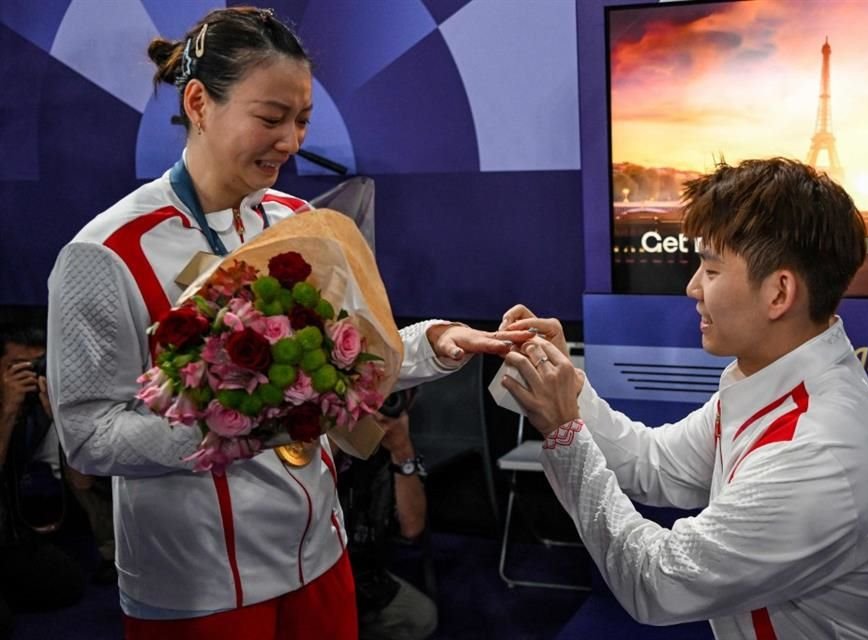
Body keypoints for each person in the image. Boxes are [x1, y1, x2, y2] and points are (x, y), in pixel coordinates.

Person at [45, 8, 524, 640]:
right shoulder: (106, 252)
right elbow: (87, 434)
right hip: (198, 587)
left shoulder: (298, 221)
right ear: (198, 102)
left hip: (321, 557)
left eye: (300, 121)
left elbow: (349, 357)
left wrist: (437, 343)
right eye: (271, 119)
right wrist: (236, 427)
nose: (292, 141)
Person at [499, 158, 868, 639]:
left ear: (779, 293)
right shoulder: (773, 384)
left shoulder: (820, 451)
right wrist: (568, 386)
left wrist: (565, 434)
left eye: (712, 269)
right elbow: (654, 463)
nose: (692, 287)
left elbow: (655, 581)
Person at [0, 324, 85, 639]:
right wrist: (8, 412)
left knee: (66, 584)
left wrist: (62, 418)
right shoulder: (11, 406)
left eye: (36, 365)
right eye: (16, 367)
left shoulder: (38, 406)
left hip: (10, 533)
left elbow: (82, 481)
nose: (29, 375)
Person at [337, 389, 437, 640]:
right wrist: (350, 430)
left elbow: (412, 527)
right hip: (324, 568)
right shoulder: (332, 429)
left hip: (365, 574)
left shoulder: (396, 442)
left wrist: (401, 449)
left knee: (420, 617)